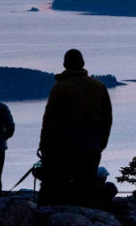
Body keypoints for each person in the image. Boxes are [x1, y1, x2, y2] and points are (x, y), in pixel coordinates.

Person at [38, 48, 113, 205]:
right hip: (91, 145)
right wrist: (102, 142)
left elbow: (49, 121)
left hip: (64, 147)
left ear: (65, 64)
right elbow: (107, 118)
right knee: (86, 186)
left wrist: (44, 146)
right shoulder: (98, 87)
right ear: (83, 63)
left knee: (59, 186)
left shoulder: (60, 88)